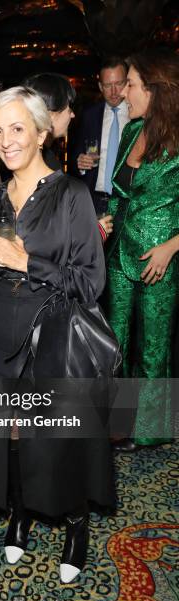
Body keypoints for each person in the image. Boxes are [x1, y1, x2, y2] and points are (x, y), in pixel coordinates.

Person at [0, 86, 115, 583]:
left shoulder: (71, 193)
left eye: (17, 128)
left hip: (52, 332)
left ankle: (76, 524)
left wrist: (27, 262)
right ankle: (21, 511)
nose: (6, 141)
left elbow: (90, 282)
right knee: (9, 435)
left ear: (41, 132)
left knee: (56, 439)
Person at [105, 48, 179, 452]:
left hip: (160, 258)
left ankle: (149, 430)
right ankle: (116, 423)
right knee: (114, 341)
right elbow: (119, 193)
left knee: (153, 345)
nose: (124, 93)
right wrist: (102, 228)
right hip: (119, 253)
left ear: (153, 90)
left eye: (130, 84)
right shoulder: (132, 131)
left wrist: (171, 247)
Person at [25, 72, 113, 240]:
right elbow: (47, 238)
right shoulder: (41, 164)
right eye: (68, 108)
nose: (72, 115)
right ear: (50, 115)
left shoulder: (38, 155)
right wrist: (95, 232)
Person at [72, 57, 130, 215]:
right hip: (94, 202)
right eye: (107, 85)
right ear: (100, 86)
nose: (113, 92)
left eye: (118, 84)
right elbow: (75, 158)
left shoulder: (137, 116)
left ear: (127, 83)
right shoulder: (89, 116)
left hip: (127, 202)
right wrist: (80, 163)